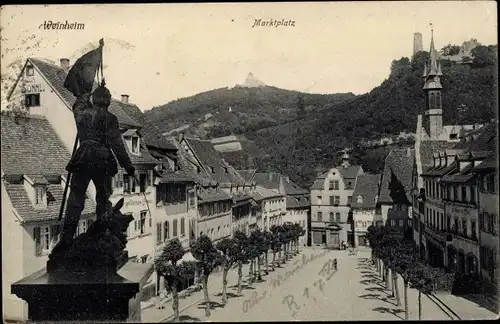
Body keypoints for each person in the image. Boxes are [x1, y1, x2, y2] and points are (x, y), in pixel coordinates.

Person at [56, 84, 135, 249]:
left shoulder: (82, 113)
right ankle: (102, 235)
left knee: (75, 198)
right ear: (108, 101)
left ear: (94, 99)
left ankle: (66, 238)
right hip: (102, 158)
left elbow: (77, 104)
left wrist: (84, 95)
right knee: (102, 199)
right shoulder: (110, 118)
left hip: (83, 157)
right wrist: (128, 166)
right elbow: (117, 145)